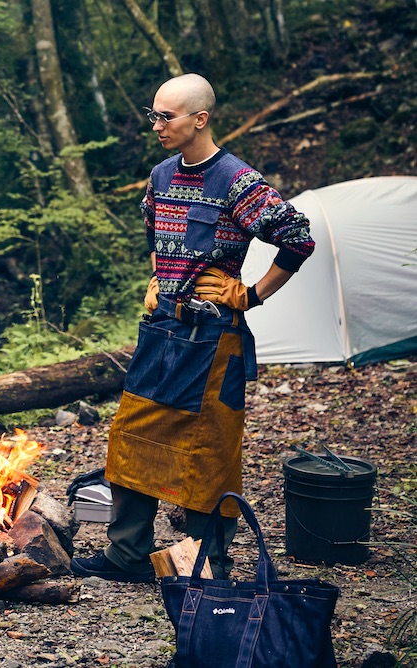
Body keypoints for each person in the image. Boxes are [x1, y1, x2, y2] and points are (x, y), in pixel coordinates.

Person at [71, 73, 315, 582]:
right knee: (129, 437)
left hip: (212, 344)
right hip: (161, 333)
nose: (156, 125)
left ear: (199, 119)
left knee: (209, 455)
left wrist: (250, 294)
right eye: (153, 115)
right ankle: (128, 556)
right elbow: (162, 239)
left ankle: (210, 564)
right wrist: (158, 278)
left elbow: (297, 238)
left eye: (167, 116)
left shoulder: (237, 181)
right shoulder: (160, 176)